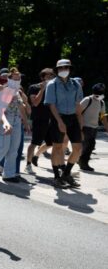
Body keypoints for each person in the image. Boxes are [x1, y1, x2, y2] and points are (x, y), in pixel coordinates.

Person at [0, 69, 31, 182]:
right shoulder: (1, 89)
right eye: (15, 78)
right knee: (3, 148)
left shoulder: (18, 92)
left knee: (14, 149)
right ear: (9, 79)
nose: (17, 80)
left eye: (19, 78)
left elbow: (21, 108)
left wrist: (26, 122)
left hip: (17, 121)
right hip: (3, 121)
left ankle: (8, 174)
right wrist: (5, 123)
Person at [44, 59, 83, 188]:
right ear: (57, 70)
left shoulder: (76, 84)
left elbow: (78, 105)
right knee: (58, 148)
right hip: (58, 117)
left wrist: (80, 123)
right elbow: (52, 105)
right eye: (60, 68)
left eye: (66, 67)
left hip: (72, 118)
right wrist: (60, 122)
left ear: (70, 69)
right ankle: (56, 177)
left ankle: (66, 174)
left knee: (77, 148)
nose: (63, 70)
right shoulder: (52, 84)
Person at [25, 68, 56, 174]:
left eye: (52, 75)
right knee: (34, 142)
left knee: (51, 143)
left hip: (51, 119)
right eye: (48, 75)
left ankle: (36, 156)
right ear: (42, 77)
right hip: (39, 118)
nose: (51, 77)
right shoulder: (34, 87)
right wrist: (42, 90)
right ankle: (28, 164)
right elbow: (35, 103)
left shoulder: (53, 88)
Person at [78, 83, 107, 171]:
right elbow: (78, 112)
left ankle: (80, 160)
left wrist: (107, 127)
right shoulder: (87, 99)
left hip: (94, 127)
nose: (100, 94)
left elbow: (103, 116)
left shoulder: (101, 102)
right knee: (89, 145)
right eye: (99, 92)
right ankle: (83, 163)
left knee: (89, 146)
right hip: (85, 126)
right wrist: (80, 127)